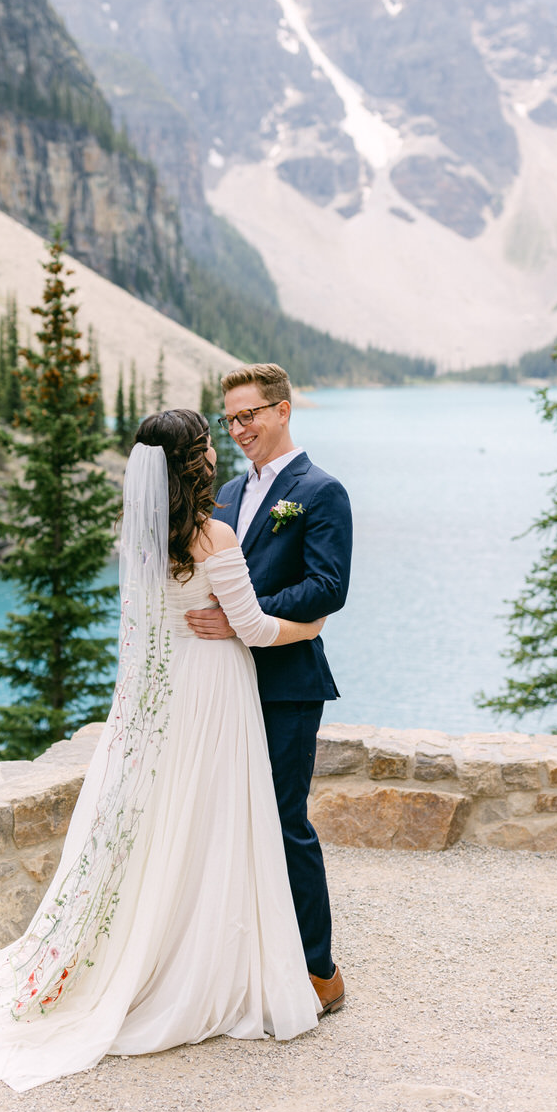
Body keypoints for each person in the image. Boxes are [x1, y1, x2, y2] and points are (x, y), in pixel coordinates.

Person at [0, 410, 330, 1092]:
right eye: (205, 445)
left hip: (162, 700)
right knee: (213, 826)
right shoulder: (212, 533)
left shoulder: (140, 535)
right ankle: (201, 970)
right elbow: (250, 627)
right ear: (194, 462)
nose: (216, 453)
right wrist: (306, 623)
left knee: (164, 828)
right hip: (212, 691)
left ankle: (148, 955)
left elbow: (139, 633)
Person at [185, 364, 352, 1015]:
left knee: (285, 824)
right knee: (233, 821)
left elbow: (327, 588)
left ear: (283, 411)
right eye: (229, 419)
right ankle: (251, 957)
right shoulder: (225, 493)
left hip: (287, 685)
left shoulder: (321, 491)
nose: (238, 428)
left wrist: (244, 617)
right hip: (223, 686)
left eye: (249, 414)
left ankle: (319, 972)